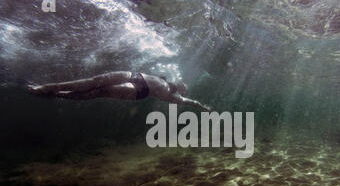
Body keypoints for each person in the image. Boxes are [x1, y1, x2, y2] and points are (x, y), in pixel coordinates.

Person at [28, 71, 211, 111]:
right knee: (93, 82)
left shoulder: (172, 96)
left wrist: (201, 106)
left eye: (184, 87)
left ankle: (57, 94)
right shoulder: (166, 78)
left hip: (138, 90)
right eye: (183, 83)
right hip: (134, 75)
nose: (183, 84)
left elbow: (189, 102)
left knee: (98, 91)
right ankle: (48, 88)